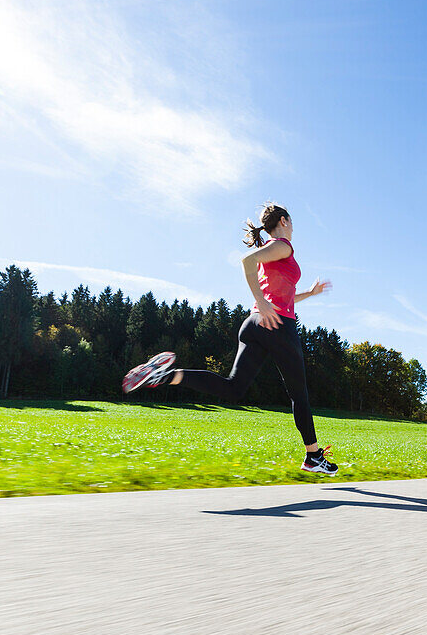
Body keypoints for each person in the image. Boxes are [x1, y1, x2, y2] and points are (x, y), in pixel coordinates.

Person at [122, 203, 340, 475]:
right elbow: (246, 261)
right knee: (300, 395)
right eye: (292, 222)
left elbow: (281, 297)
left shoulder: (275, 252)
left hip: (254, 324)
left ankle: (165, 376)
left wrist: (308, 293)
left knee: (233, 388)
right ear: (283, 221)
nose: (293, 227)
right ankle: (313, 456)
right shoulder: (282, 245)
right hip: (278, 326)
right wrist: (262, 301)